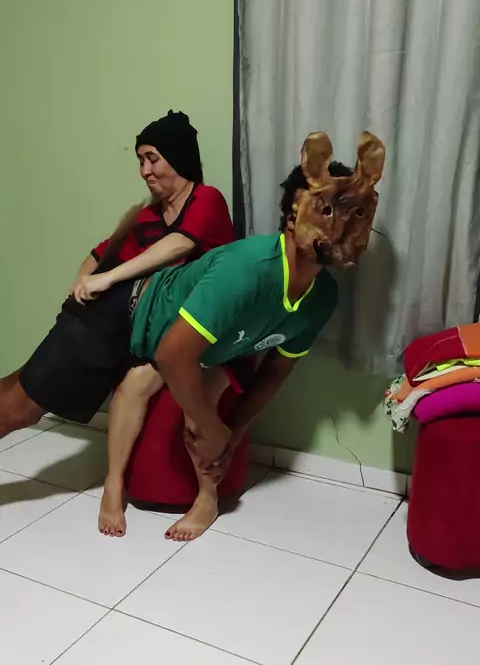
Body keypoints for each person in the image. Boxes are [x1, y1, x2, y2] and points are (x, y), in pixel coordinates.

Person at [100, 129, 386, 542]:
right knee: (136, 385)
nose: (339, 226)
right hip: (173, 328)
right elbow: (174, 352)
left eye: (353, 215)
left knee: (205, 403)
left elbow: (275, 373)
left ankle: (207, 499)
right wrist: (214, 431)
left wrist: (230, 436)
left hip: (228, 349)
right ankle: (112, 484)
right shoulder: (248, 269)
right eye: (327, 211)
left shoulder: (323, 296)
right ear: (293, 217)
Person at [0, 109, 235, 440]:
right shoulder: (149, 216)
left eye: (152, 159)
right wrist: (81, 284)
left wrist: (107, 279)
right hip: (121, 322)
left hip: (178, 325)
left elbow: (179, 244)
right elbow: (100, 253)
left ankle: (22, 405)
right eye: (140, 160)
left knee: (26, 402)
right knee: (35, 367)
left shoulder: (207, 199)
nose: (145, 171)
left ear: (178, 157)